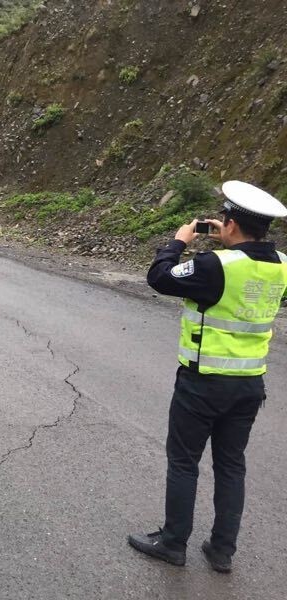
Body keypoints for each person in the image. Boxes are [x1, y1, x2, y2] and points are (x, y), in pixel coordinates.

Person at [128, 181, 287, 573]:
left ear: (229, 224)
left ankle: (173, 542)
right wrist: (233, 240)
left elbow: (160, 277)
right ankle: (221, 551)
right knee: (231, 465)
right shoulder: (282, 264)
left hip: (203, 383)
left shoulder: (214, 265)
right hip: (250, 385)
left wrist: (179, 241)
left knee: (184, 461)